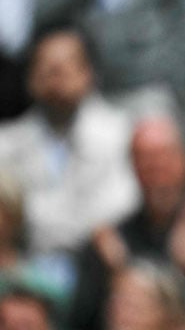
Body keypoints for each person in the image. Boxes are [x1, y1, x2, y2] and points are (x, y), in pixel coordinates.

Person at [68, 116, 185, 330]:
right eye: (144, 160)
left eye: (165, 157)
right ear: (132, 168)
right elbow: (79, 322)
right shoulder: (111, 240)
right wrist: (115, 279)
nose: (156, 170)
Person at [0, 23, 138, 255]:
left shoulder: (122, 132)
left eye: (66, 65)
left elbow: (120, 206)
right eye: (46, 67)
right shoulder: (5, 142)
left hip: (98, 263)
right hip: (26, 263)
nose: (56, 76)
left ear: (89, 73)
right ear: (30, 78)